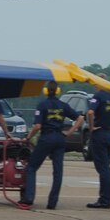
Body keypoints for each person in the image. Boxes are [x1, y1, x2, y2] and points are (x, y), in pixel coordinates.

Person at [19, 81, 83, 209]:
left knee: (31, 167)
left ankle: (28, 198)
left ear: (46, 91)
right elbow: (80, 119)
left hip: (47, 138)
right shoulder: (63, 105)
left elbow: (37, 126)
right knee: (58, 172)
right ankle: (52, 202)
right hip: (60, 138)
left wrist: (28, 137)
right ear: (58, 91)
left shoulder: (42, 105)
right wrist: (69, 133)